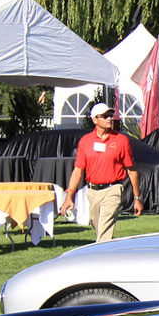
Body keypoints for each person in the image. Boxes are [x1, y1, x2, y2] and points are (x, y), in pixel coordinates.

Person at [59, 102, 143, 243]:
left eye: (110, 115)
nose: (108, 119)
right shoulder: (85, 141)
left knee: (103, 233)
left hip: (113, 190)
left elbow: (132, 171)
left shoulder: (121, 140)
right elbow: (78, 170)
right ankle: (110, 251)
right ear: (95, 120)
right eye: (104, 116)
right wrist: (69, 196)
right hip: (92, 192)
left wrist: (137, 199)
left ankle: (99, 259)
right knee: (98, 226)